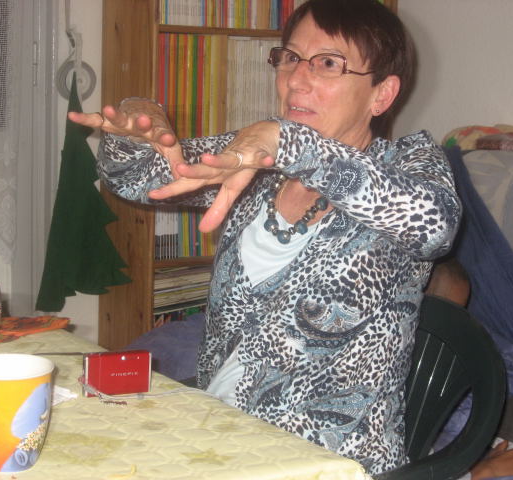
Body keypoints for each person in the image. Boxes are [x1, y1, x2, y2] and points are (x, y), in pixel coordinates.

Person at [70, 0, 461, 475]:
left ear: (382, 94)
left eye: (328, 63)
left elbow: (434, 224)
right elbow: (139, 178)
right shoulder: (258, 161)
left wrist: (284, 141)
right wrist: (139, 120)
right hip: (216, 438)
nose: (296, 79)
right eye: (291, 57)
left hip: (329, 463)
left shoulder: (408, 165)